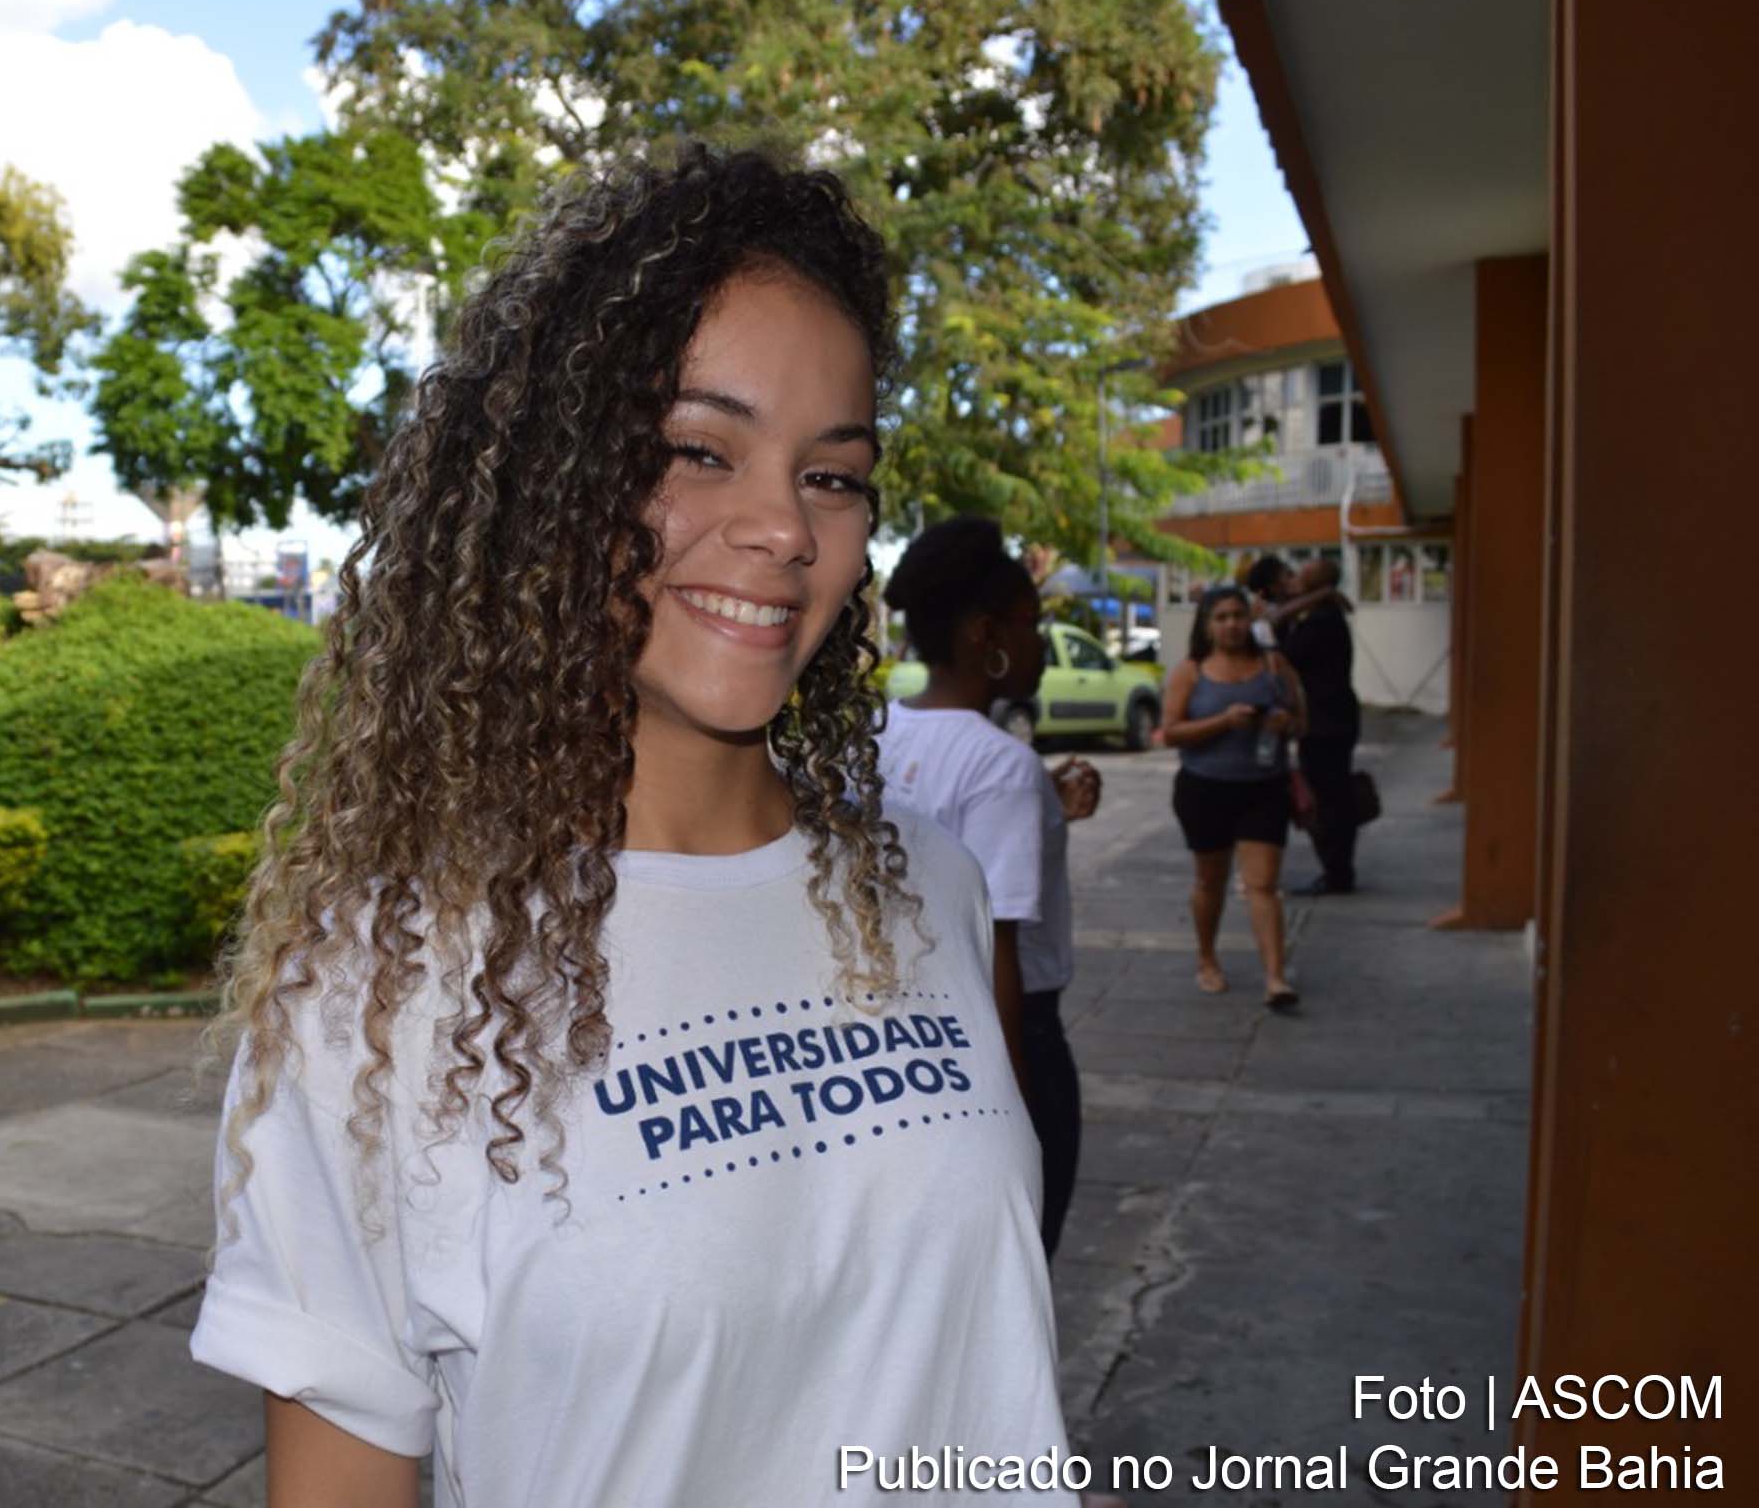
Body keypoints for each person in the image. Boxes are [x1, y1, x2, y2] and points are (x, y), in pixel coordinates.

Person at [189, 146, 1074, 1508]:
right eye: (697, 451)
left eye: (832, 477)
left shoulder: (930, 893)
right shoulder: (376, 988)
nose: (782, 526)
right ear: (556, 487)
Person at [880, 515, 1103, 1260]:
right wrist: (1007, 1115)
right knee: (1016, 1273)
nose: (1039, 641)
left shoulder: (876, 733)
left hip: (897, 1034)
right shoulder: (1000, 765)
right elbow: (999, 942)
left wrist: (1044, 805)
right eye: (1030, 622)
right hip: (1005, 1037)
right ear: (985, 634)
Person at [1159, 585, 1306, 1008]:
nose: (1232, 625)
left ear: (1251, 620)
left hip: (1264, 788)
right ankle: (1207, 958)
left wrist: (1284, 723)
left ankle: (1276, 978)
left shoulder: (1274, 664)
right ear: (1207, 624)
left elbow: (1302, 721)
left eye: (1238, 616)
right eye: (1221, 617)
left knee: (1263, 884)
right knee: (1211, 881)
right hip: (1204, 788)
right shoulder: (1191, 670)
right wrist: (1225, 721)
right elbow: (1170, 732)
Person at [1277, 558, 1362, 894]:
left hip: (1327, 722)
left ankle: (1338, 871)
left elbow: (1282, 650)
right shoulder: (1321, 615)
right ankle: (1337, 868)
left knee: (1328, 797)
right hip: (1331, 718)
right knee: (1329, 793)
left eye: (1301, 575)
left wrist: (1309, 600)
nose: (1293, 580)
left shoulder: (1322, 621)